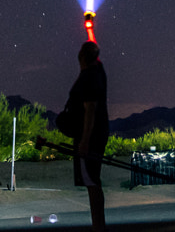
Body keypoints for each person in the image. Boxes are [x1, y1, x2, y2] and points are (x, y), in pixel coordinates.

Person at [62, 39, 109, 229]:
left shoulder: (90, 77)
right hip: (96, 134)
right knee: (92, 181)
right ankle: (99, 224)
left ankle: (98, 225)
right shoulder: (98, 71)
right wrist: (89, 26)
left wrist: (84, 141)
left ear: (82, 57)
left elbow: (90, 109)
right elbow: (95, 51)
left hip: (89, 137)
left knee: (92, 182)